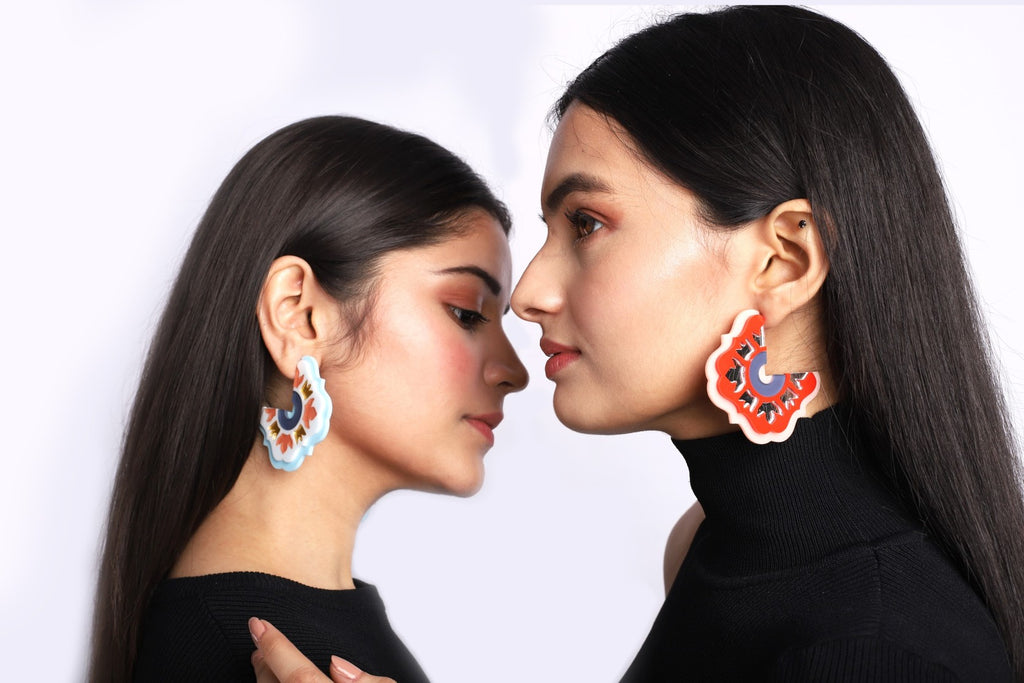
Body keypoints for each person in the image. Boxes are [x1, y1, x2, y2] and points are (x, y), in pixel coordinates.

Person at [250, 6, 1024, 682]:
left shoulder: (877, 647)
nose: (528, 293)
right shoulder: (708, 546)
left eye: (586, 224)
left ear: (783, 260)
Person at [87, 115, 528, 682]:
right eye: (466, 313)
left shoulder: (305, 630)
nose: (515, 372)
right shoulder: (235, 652)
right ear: (297, 314)